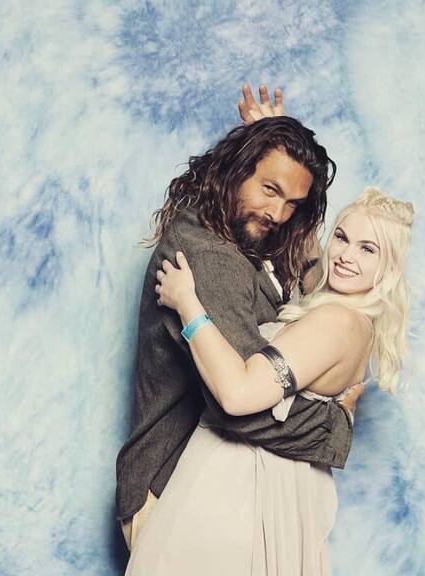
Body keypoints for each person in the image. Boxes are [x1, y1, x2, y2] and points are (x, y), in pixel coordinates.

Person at [116, 86, 363, 549]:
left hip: (215, 492)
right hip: (174, 493)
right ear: (235, 169)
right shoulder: (211, 257)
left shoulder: (240, 231)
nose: (278, 214)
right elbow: (241, 406)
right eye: (270, 190)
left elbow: (314, 290)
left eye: (293, 204)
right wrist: (337, 424)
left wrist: (272, 138)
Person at [126, 187, 413, 574]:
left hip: (237, 491)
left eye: (368, 249)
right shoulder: (353, 318)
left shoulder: (337, 322)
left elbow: (237, 394)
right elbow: (311, 261)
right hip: (268, 488)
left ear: (389, 267)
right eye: (342, 237)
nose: (346, 256)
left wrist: (187, 304)